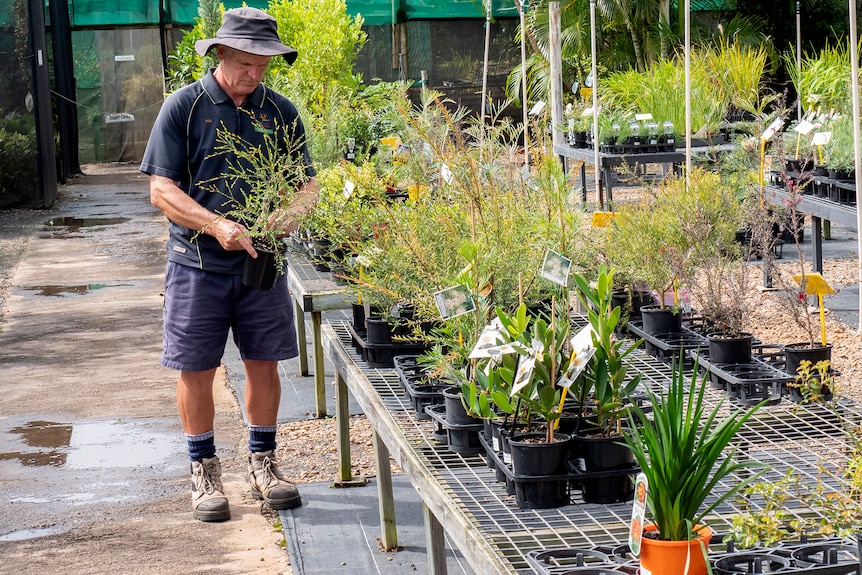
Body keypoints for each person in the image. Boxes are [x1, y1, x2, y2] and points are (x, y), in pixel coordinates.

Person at [140, 7, 318, 522]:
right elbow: (161, 190)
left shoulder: (280, 112)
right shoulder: (185, 107)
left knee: (264, 362)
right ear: (220, 54)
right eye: (245, 63)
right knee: (196, 368)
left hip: (261, 264)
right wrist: (216, 225)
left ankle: (264, 464)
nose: (254, 74)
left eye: (263, 65)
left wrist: (290, 213)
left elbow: (307, 183)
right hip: (197, 263)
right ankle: (204, 473)